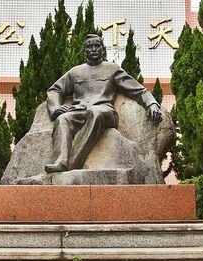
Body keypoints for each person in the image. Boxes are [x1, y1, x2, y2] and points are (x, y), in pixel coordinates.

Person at [44, 33, 162, 173]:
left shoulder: (112, 69)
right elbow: (54, 90)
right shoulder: (75, 72)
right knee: (63, 119)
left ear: (102, 49)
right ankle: (61, 161)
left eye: (97, 46)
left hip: (105, 111)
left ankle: (74, 161)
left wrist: (152, 104)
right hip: (80, 110)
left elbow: (138, 90)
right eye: (89, 46)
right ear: (85, 51)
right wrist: (55, 108)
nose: (93, 49)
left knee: (96, 112)